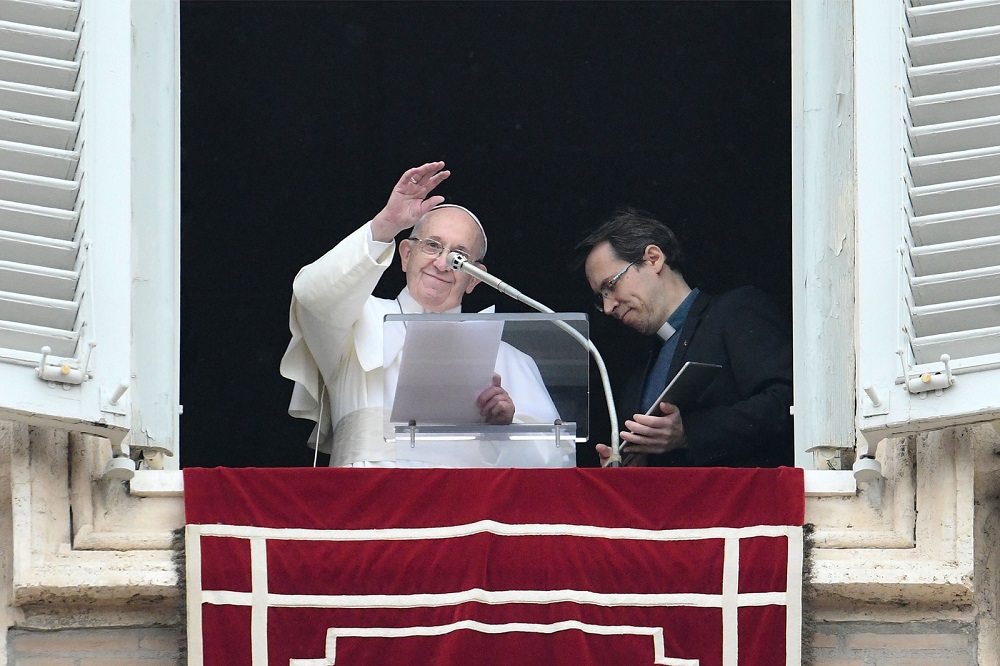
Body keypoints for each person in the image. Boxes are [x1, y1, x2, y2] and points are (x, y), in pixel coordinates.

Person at [279, 161, 563, 467]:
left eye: (459, 257)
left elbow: (558, 462)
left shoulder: (510, 359)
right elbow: (310, 296)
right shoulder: (356, 321)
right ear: (405, 255)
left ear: (475, 279)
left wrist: (506, 432)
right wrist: (386, 223)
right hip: (364, 506)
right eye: (432, 246)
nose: (442, 264)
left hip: (467, 512)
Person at [575, 207, 793, 468]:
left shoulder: (736, 312)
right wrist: (633, 465)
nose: (609, 308)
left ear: (653, 258)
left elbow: (788, 403)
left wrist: (689, 433)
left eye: (611, 285)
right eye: (601, 299)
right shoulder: (636, 376)